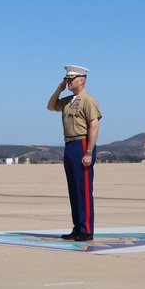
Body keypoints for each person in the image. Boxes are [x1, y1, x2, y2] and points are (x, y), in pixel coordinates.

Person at [47, 65, 102, 242]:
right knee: (73, 189)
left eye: (71, 79)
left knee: (83, 189)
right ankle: (77, 227)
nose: (68, 82)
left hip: (82, 143)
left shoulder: (88, 100)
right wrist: (59, 89)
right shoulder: (68, 100)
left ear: (82, 80)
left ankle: (86, 229)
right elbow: (51, 106)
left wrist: (88, 152)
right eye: (67, 79)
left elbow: (94, 126)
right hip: (69, 144)